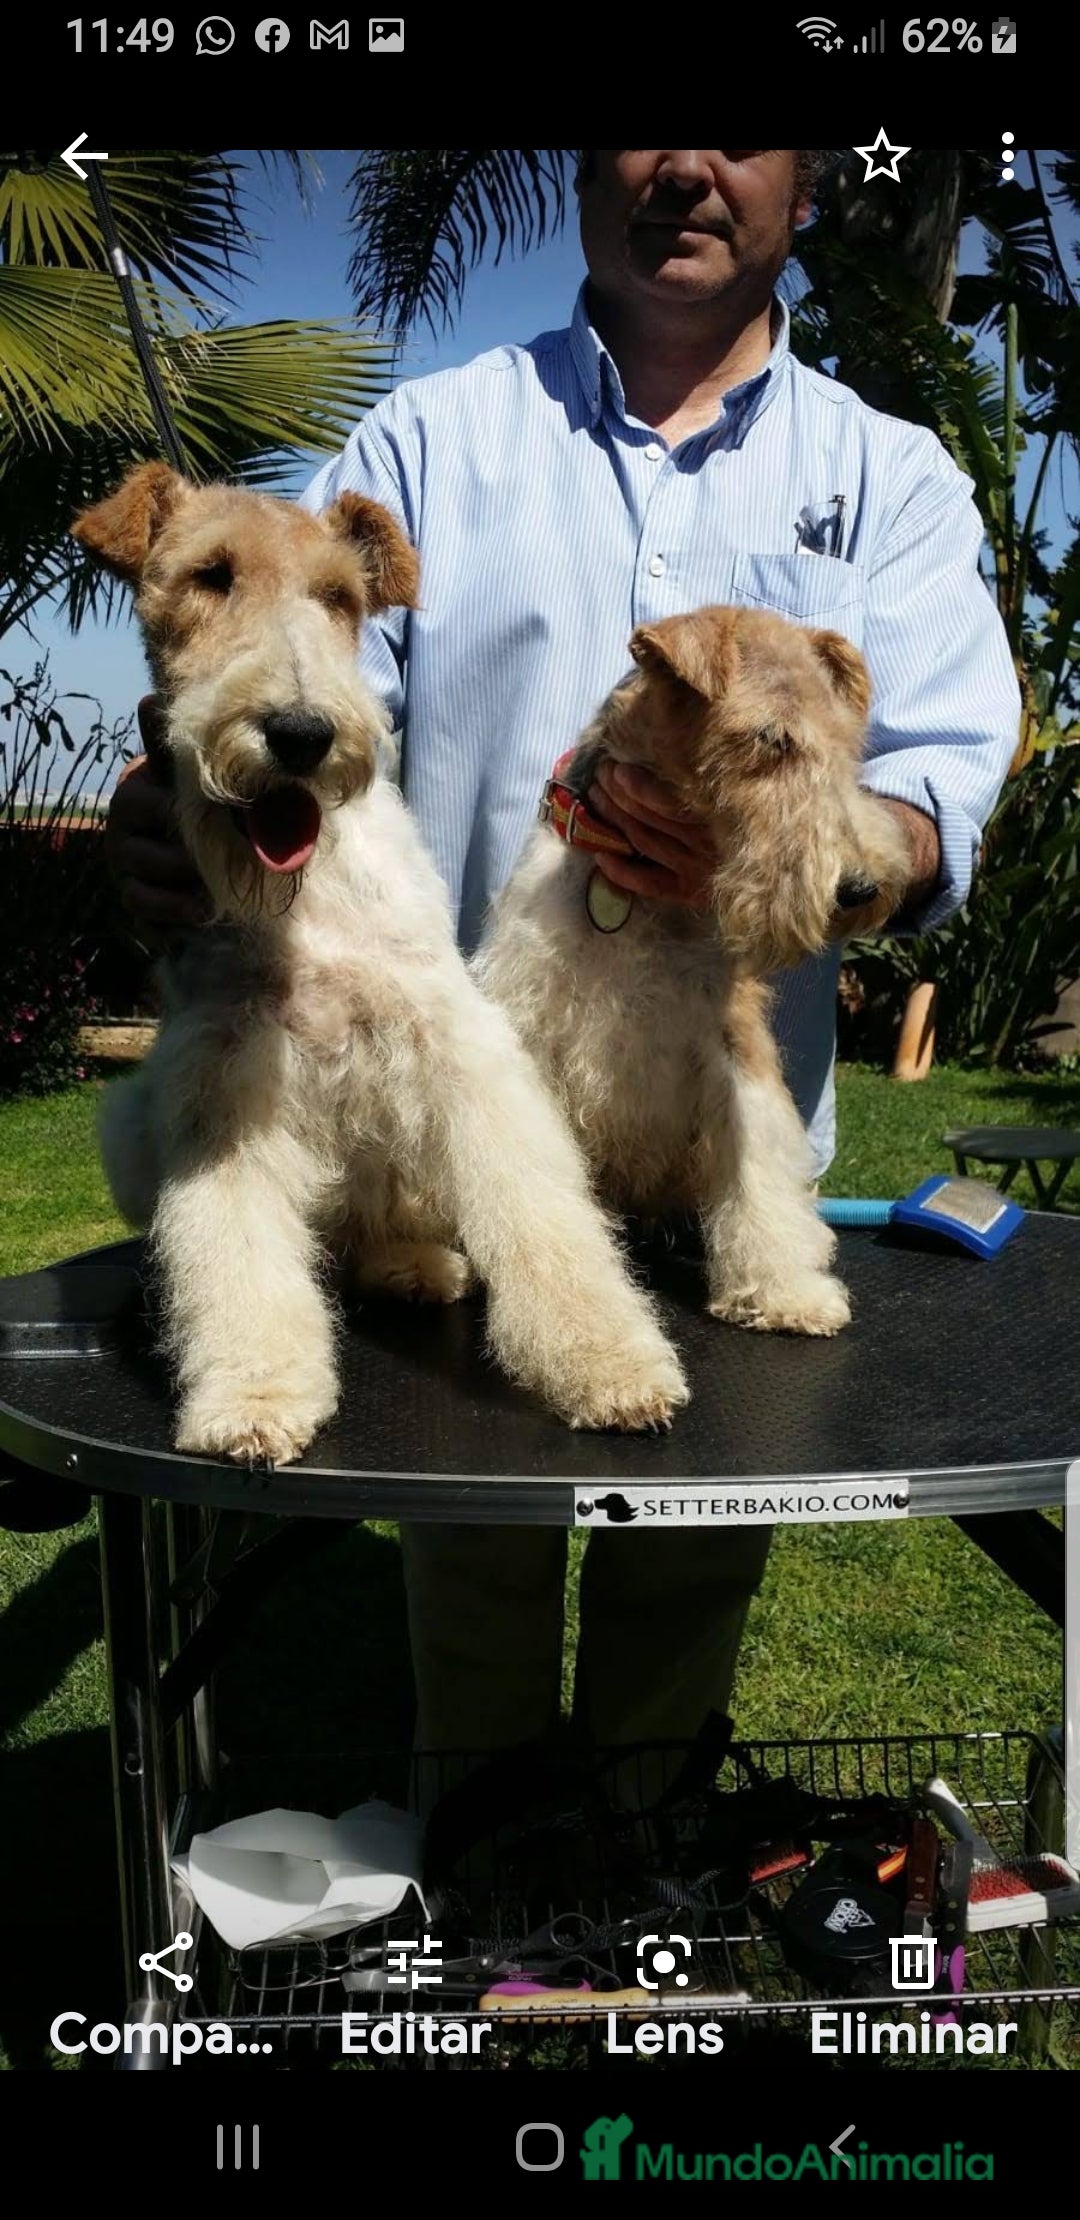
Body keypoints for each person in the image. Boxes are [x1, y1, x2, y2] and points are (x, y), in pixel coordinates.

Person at [105, 149, 1020, 1774]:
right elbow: (273, 653)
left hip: (729, 1159)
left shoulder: (895, 482)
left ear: (802, 185)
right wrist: (183, 806)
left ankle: (649, 1850)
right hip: (453, 1177)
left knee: (686, 1604)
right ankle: (483, 1868)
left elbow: (942, 785)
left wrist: (818, 845)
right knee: (472, 1586)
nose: (684, 162)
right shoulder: (427, 443)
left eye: (737, 132)